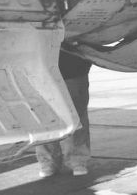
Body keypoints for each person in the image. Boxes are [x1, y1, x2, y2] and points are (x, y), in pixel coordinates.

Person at [36, 49, 92, 177]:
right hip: (41, 69)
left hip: (73, 67)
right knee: (44, 116)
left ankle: (77, 160)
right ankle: (48, 161)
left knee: (76, 115)